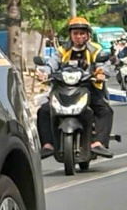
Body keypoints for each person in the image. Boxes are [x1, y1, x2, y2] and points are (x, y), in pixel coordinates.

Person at [38, 15, 113, 156]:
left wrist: (101, 72)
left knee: (105, 110)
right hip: (62, 88)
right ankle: (47, 144)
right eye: (75, 33)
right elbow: (51, 64)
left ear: (88, 35)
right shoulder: (62, 50)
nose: (79, 37)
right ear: (70, 35)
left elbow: (104, 65)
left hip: (89, 88)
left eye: (82, 33)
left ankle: (98, 142)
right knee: (44, 111)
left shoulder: (96, 49)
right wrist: (44, 73)